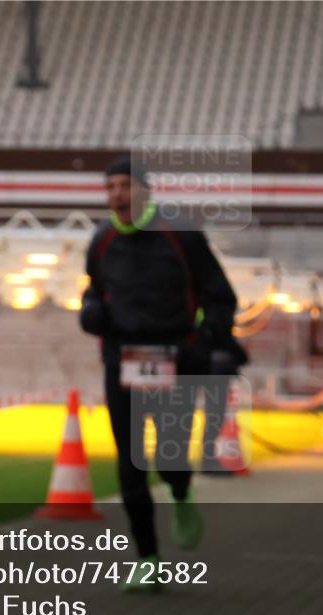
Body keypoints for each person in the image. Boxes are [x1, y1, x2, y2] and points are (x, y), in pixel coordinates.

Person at [79, 156, 238, 591]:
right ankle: (147, 558)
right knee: (129, 464)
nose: (116, 195)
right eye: (109, 187)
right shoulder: (102, 240)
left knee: (170, 457)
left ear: (146, 191)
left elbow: (221, 296)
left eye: (125, 186)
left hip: (176, 359)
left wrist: (205, 340)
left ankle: (182, 493)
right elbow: (93, 290)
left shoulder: (181, 235)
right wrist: (92, 311)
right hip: (122, 362)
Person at [199, 333, 249, 475]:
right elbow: (220, 333)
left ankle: (209, 460)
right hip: (216, 371)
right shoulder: (217, 317)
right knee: (214, 418)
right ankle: (208, 462)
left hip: (217, 370)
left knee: (215, 418)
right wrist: (241, 356)